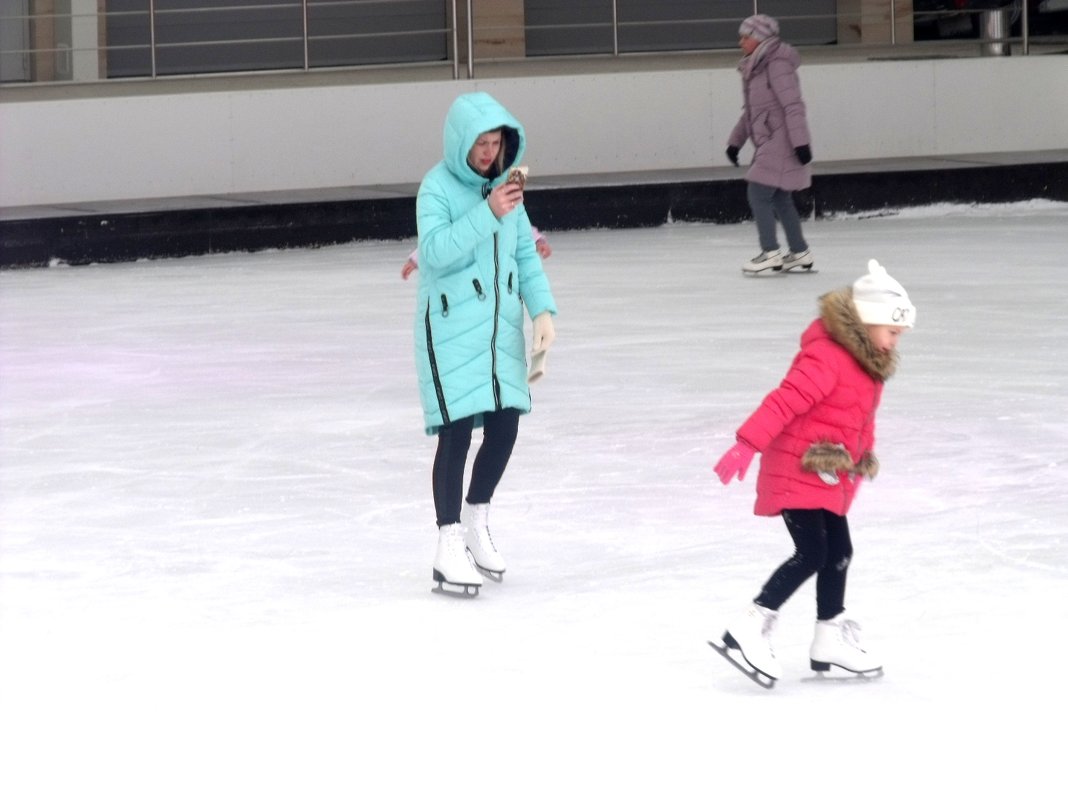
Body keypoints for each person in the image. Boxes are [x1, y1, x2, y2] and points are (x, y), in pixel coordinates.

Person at [712, 259, 916, 682]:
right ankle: (750, 623)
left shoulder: (867, 366)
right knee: (813, 553)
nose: (896, 342)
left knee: (839, 552)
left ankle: (829, 638)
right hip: (797, 467)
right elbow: (785, 400)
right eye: (893, 332)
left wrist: (856, 469)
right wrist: (749, 442)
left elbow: (860, 424)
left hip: (829, 474)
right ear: (868, 321)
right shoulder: (827, 357)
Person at [414, 92, 557, 596]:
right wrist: (488, 212)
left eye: (496, 143)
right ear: (461, 142)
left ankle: (477, 519)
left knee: (505, 427)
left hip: (500, 331)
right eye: (480, 143)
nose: (488, 153)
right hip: (451, 327)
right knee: (454, 436)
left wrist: (542, 310)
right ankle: (447, 542)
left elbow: (524, 253)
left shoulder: (507, 189)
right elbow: (435, 253)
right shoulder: (435, 188)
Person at [725, 14, 815, 274]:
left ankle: (770, 252)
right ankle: (799, 251)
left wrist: (801, 143)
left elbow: (793, 105)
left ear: (761, 38)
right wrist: (735, 142)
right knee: (779, 197)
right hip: (771, 138)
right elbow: (752, 112)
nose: (741, 42)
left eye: (746, 36)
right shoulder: (756, 66)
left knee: (758, 193)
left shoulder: (776, 64)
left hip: (782, 139)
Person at [402, 226, 551, 280]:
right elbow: (440, 239)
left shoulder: (501, 209)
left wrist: (537, 241)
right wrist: (417, 259)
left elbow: (518, 225)